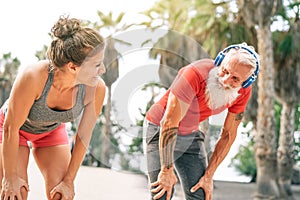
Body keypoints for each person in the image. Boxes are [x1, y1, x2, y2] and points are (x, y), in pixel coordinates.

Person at [0, 15, 106, 200]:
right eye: (97, 65)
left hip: (50, 131)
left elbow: (83, 136)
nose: (103, 70)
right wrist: (9, 178)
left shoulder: (95, 89)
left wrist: (69, 181)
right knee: (16, 194)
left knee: (61, 194)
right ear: (73, 67)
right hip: (12, 129)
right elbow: (10, 128)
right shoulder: (34, 76)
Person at [143, 43, 260, 200]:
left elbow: (228, 134)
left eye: (235, 79)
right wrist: (166, 170)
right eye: (225, 71)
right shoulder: (195, 73)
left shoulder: (243, 92)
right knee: (162, 193)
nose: (225, 81)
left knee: (201, 193)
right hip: (159, 128)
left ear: (245, 82)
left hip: (190, 134)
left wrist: (209, 176)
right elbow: (169, 122)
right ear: (219, 61)